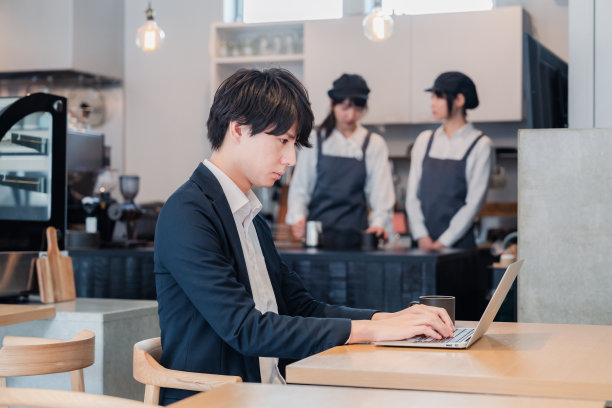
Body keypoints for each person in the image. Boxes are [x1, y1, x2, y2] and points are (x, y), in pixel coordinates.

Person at [154, 68, 454, 404]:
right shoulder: (188, 212)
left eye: (293, 144)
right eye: (282, 141)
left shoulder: (249, 215)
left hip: (268, 392)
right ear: (237, 129)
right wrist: (371, 331)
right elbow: (245, 328)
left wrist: (387, 318)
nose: (291, 158)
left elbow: (302, 306)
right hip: (219, 399)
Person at [285, 73, 395, 248]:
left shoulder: (374, 144)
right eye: (345, 108)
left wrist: (379, 224)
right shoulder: (315, 140)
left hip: (358, 240)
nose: (351, 115)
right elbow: (300, 188)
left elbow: (381, 196)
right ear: (332, 104)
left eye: (358, 110)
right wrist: (298, 219)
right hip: (317, 240)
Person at [406, 71, 494, 250]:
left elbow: (474, 202)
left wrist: (444, 241)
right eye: (432, 97)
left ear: (459, 100)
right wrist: (421, 235)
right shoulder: (424, 140)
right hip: (421, 244)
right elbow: (411, 196)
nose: (433, 103)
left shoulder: (480, 145)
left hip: (458, 247)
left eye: (438, 97)